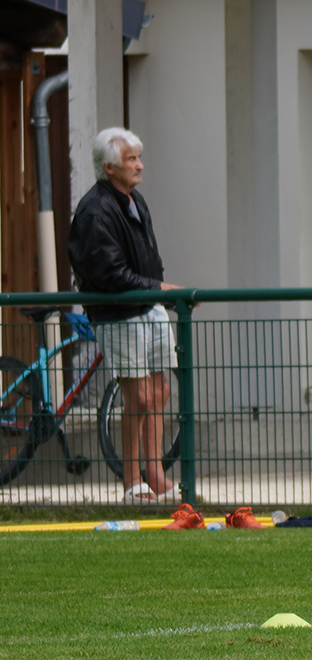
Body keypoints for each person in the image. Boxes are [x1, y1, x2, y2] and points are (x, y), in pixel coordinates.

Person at [68, 127, 183, 502]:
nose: (140, 165)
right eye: (131, 159)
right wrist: (161, 289)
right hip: (119, 313)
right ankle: (133, 482)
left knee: (160, 391)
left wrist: (157, 291)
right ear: (109, 168)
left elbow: (148, 254)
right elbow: (111, 275)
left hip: (147, 307)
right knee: (139, 398)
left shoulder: (135, 200)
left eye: (138, 157)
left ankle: (156, 475)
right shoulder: (94, 211)